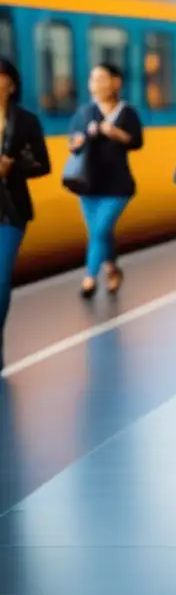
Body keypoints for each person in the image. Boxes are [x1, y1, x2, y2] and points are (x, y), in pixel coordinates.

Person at [68, 62, 143, 299]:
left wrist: (115, 133)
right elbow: (72, 143)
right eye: (92, 79)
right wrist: (77, 142)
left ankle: (89, 278)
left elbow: (137, 142)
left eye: (101, 79)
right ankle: (112, 268)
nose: (95, 84)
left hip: (118, 186)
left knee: (99, 231)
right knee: (101, 233)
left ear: (116, 83)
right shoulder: (84, 112)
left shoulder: (126, 112)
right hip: (88, 184)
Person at [0, 57, 50, 371]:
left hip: (11, 210)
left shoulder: (26, 121)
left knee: (1, 278)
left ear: (12, 85)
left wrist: (13, 166)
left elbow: (43, 164)